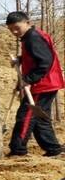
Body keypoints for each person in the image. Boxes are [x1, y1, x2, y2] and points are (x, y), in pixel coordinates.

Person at [5, 11, 63, 157]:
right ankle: (53, 149)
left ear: (27, 22)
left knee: (26, 116)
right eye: (11, 29)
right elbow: (37, 56)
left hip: (43, 84)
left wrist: (29, 79)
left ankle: (18, 150)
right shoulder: (30, 37)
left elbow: (45, 62)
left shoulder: (33, 38)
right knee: (40, 117)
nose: (14, 32)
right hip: (47, 83)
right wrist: (21, 59)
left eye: (17, 27)